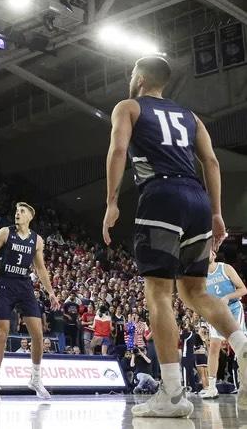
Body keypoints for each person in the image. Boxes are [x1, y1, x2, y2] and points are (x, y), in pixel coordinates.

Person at [102, 56, 247, 417]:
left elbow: (118, 149)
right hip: (197, 198)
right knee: (194, 291)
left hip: (161, 196)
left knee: (158, 293)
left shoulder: (128, 106)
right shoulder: (190, 116)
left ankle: (172, 396)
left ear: (138, 78)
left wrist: (111, 201)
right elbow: (211, 162)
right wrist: (216, 212)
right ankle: (244, 347)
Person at [0, 202, 60, 402]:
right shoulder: (6, 232)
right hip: (5, 283)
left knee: (38, 335)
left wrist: (50, 292)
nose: (17, 214)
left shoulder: (37, 240)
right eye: (16, 211)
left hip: (24, 285)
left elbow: (40, 269)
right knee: (2, 334)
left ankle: (36, 378)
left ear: (30, 216)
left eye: (22, 211)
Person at [199, 250, 247, 399]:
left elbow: (243, 289)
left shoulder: (225, 268)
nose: (210, 252)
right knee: (213, 347)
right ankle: (212, 388)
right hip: (216, 313)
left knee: (239, 347)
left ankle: (244, 382)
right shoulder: (201, 277)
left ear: (214, 255)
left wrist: (227, 297)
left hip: (233, 309)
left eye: (211, 251)